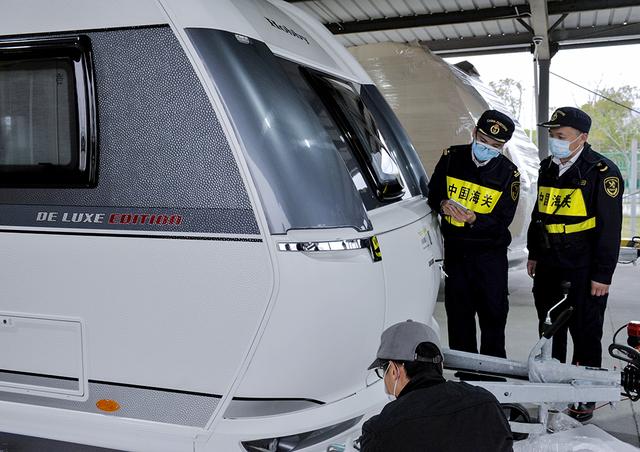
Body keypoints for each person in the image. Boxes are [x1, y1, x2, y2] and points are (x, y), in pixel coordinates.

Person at [526, 107, 623, 421]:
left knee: (585, 333)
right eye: (552, 135)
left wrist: (602, 274)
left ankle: (585, 396)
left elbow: (610, 229)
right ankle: (555, 387)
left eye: (561, 136)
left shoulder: (602, 172)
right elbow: (538, 214)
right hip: (550, 263)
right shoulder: (547, 167)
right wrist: (533, 252)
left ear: (582, 137)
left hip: (584, 266)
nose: (555, 141)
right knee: (550, 330)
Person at [427, 110, 520, 358]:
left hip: (489, 256)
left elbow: (503, 221)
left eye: (496, 145)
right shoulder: (451, 158)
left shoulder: (509, 174)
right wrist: (443, 203)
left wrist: (474, 219)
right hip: (457, 254)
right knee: (459, 317)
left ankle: (492, 380)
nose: (487, 147)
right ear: (474, 133)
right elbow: (432, 193)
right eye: (484, 140)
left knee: (493, 316)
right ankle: (465, 378)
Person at [359, 320, 513, 452]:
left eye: (382, 371)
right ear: (439, 364)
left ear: (393, 370)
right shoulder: (486, 404)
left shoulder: (381, 430)